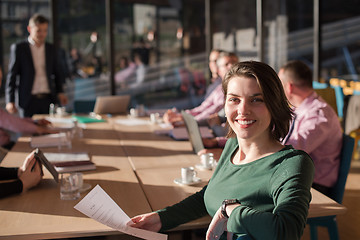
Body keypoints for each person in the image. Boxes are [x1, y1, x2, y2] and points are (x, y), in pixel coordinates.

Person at [129, 61, 315, 240]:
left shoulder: (291, 163)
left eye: (256, 100)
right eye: (234, 99)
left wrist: (231, 210)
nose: (243, 110)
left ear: (274, 106)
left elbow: (287, 232)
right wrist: (162, 218)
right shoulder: (232, 145)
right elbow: (209, 195)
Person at [279, 60, 342, 196]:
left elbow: (293, 150)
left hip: (314, 186)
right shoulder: (300, 109)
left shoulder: (319, 114)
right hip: (299, 177)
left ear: (289, 87)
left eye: (279, 85)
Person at [5, 13, 68, 117]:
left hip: (48, 99)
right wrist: (9, 101)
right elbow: (12, 75)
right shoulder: (19, 48)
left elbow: (57, 72)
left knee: (50, 131)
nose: (42, 34)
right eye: (38, 30)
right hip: (28, 100)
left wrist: (60, 92)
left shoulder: (50, 48)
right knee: (29, 132)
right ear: (29, 29)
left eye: (45, 30)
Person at [163, 51, 238, 126]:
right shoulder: (218, 88)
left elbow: (213, 110)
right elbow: (204, 107)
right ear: (219, 70)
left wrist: (187, 121)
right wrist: (182, 116)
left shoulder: (234, 89)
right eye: (226, 64)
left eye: (234, 62)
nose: (231, 66)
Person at [0, 66, 57, 150]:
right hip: (3, 150)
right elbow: (13, 124)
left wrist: (35, 122)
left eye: (0, 78)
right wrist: (38, 129)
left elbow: (11, 120)